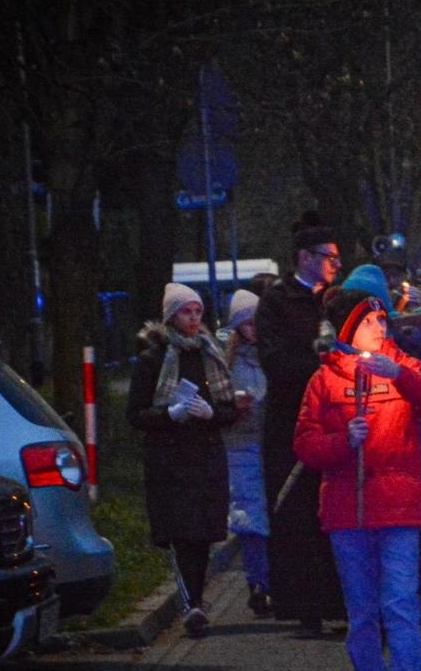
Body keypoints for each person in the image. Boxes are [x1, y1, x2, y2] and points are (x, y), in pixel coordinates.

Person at [294, 287, 421, 671]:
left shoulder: (402, 365)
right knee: (362, 609)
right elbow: (305, 445)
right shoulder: (324, 380)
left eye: (383, 321)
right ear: (349, 329)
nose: (380, 328)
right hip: (347, 513)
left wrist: (402, 377)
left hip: (400, 508)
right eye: (370, 322)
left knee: (402, 603)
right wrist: (341, 440)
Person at [343, 264, 421, 628]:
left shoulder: (408, 347)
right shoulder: (332, 357)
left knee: (411, 570)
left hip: (412, 470)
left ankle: (410, 647)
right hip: (358, 479)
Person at [127, 284, 238, 636]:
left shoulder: (210, 353)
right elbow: (136, 413)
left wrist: (212, 413)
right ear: (171, 316)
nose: (193, 319)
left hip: (205, 455)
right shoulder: (154, 358)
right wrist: (169, 416)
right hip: (170, 459)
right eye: (186, 312)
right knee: (181, 532)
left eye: (198, 312)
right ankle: (191, 603)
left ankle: (196, 598)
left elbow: (228, 408)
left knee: (203, 533)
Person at [257, 214, 345, 634]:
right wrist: (323, 367)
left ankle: (342, 603)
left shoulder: (337, 299)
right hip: (293, 422)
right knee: (297, 514)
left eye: (336, 257)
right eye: (328, 257)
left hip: (336, 421)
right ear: (304, 257)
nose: (334, 265)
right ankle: (305, 607)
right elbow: (276, 362)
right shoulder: (277, 302)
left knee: (337, 511)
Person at [222, 288, 272, 616]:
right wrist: (231, 406)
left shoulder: (270, 354)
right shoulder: (225, 360)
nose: (253, 328)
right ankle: (258, 582)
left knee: (273, 513)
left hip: (271, 441)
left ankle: (273, 580)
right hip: (240, 442)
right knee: (250, 515)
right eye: (247, 322)